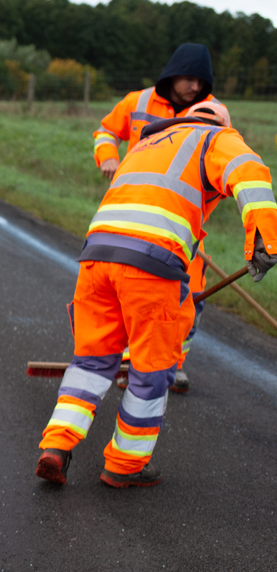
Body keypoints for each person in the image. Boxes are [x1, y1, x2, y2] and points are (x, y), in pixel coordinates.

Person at [38, 101, 277, 489]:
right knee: (151, 372)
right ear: (223, 123)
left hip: (96, 257)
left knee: (90, 363)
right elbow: (249, 172)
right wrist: (265, 238)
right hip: (151, 265)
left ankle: (56, 445)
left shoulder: (148, 142)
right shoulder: (217, 136)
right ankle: (125, 465)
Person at [93, 43, 224, 393]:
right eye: (188, 78)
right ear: (172, 73)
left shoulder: (212, 112)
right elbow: (106, 131)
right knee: (127, 289)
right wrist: (107, 156)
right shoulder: (137, 103)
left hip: (181, 227)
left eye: (201, 81)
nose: (194, 87)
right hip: (132, 216)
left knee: (188, 296)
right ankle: (126, 359)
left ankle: (170, 364)